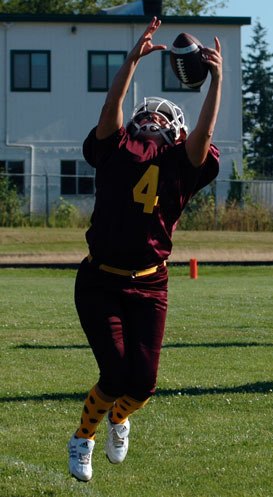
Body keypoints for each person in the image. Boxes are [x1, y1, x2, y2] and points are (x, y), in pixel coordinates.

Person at [68, 16, 223, 482]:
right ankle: (83, 437)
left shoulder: (182, 162)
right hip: (100, 279)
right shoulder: (116, 146)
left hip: (151, 281)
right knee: (115, 376)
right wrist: (131, 63)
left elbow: (204, 136)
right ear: (136, 124)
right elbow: (113, 106)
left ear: (175, 132)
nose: (154, 116)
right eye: (147, 113)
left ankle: (119, 419)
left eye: (164, 115)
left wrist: (218, 81)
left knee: (145, 384)